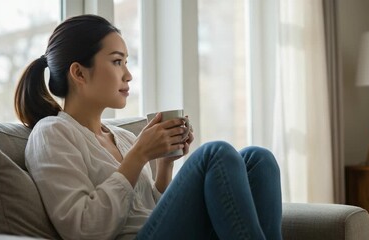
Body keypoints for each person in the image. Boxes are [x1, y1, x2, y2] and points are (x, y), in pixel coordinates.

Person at [14, 14, 282, 240]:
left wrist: (165, 166)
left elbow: (147, 211)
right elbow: (83, 228)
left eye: (126, 62)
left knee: (259, 160)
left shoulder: (122, 137)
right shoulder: (52, 133)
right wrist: (139, 156)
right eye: (117, 61)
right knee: (214, 153)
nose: (128, 75)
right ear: (79, 73)